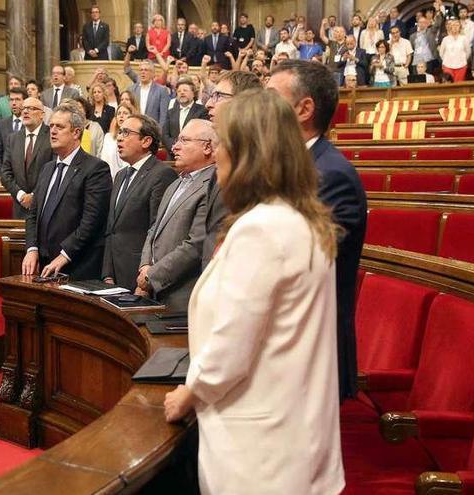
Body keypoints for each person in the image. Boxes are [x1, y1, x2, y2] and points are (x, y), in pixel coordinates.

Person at [163, 89, 344, 495]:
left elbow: (232, 346)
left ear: (246, 153)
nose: (217, 154)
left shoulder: (263, 229)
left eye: (223, 142)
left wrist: (190, 394)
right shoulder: (299, 218)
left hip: (259, 452)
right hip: (291, 434)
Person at [267, 60, 368, 401]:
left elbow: (296, 266)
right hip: (286, 348)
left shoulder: (330, 175)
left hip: (310, 354)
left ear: (303, 109)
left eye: (270, 97)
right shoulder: (295, 167)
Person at [21, 102, 112, 280]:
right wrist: (32, 248)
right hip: (43, 264)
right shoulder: (47, 168)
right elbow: (33, 214)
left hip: (77, 266)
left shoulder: (95, 168)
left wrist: (65, 254)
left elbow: (91, 221)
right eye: (51, 126)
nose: (53, 131)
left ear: (76, 132)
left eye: (60, 127)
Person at [136, 119, 214, 311]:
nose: (174, 147)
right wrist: (145, 266)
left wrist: (151, 276)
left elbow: (196, 244)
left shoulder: (213, 185)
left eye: (184, 140)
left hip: (182, 297)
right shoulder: (175, 184)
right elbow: (154, 229)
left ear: (207, 147)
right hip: (155, 292)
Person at [102, 115, 177, 291]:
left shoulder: (162, 174)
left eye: (126, 133)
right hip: (114, 275)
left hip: (139, 277)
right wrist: (107, 273)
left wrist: (147, 277)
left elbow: (157, 231)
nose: (119, 137)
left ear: (146, 141)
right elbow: (111, 229)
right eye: (120, 132)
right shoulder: (120, 175)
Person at [202, 71, 262, 267]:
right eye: (211, 95)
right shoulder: (225, 154)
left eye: (219, 96)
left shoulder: (259, 162)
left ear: (242, 103)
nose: (209, 104)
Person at [1, 96, 53, 219]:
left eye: (31, 108)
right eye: (24, 108)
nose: (25, 111)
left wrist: (34, 195)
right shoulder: (13, 138)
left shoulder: (51, 135)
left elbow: (53, 171)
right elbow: (5, 172)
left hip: (45, 205)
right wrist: (20, 194)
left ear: (42, 114)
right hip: (20, 206)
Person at [0, 87, 26, 185]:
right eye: (11, 100)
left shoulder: (30, 124)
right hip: (5, 176)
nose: (14, 103)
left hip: (26, 177)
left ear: (25, 102)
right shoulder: (1, 124)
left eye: (17, 100)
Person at [124, 58, 170, 132]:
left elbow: (163, 117)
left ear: (153, 73)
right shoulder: (131, 89)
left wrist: (160, 133)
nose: (143, 72)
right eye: (141, 70)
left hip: (153, 131)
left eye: (146, 70)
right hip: (133, 130)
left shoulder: (161, 90)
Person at [162, 79, 208, 150]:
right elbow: (165, 135)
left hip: (192, 153)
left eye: (185, 90)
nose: (182, 93)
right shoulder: (170, 112)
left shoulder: (202, 111)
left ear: (193, 94)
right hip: (172, 153)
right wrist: (175, 147)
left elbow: (202, 135)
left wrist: (185, 148)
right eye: (179, 91)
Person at [100, 101, 137, 179]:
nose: (121, 116)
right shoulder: (108, 137)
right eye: (119, 113)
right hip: (110, 180)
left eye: (125, 113)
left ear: (132, 117)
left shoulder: (135, 138)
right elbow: (104, 161)